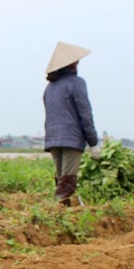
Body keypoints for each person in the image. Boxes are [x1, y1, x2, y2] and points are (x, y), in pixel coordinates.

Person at [43, 41, 99, 206]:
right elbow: (85, 114)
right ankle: (55, 210)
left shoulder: (49, 87)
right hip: (71, 138)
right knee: (67, 180)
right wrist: (93, 142)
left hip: (52, 138)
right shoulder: (77, 83)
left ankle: (63, 211)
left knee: (61, 178)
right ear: (72, 64)